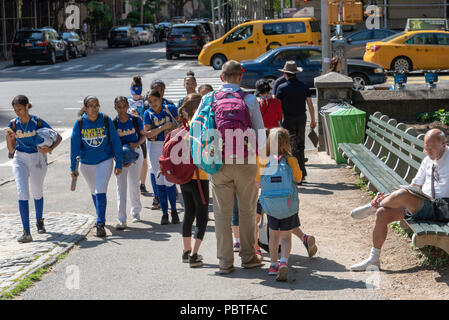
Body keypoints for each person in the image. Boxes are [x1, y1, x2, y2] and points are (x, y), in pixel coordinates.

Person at [194, 60, 266, 274]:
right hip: (246, 161)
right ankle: (249, 257)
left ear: (221, 78)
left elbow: (197, 129)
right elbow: (261, 136)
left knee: (222, 214)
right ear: (240, 77)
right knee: (247, 211)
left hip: (220, 162)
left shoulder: (208, 99)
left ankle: (225, 261)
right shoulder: (250, 99)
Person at [350, 129, 449, 271]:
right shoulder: (428, 160)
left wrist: (403, 195)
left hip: (441, 207)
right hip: (424, 202)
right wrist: (405, 193)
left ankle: (374, 205)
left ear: (443, 145)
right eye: (425, 148)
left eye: (431, 148)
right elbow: (415, 184)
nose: (427, 152)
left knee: (402, 195)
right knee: (382, 213)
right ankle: (374, 259)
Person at [6, 95, 62, 243]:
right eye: (15, 110)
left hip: (37, 157)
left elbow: (58, 137)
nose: (18, 112)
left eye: (20, 109)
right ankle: (26, 231)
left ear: (27, 107)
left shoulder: (37, 122)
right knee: (22, 191)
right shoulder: (13, 124)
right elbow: (11, 151)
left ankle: (39, 220)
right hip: (20, 159)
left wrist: (49, 148)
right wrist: (9, 139)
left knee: (37, 190)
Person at [70, 96, 123, 237]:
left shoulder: (105, 120)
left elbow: (116, 142)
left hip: (104, 160)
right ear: (85, 108)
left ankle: (100, 223)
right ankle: (100, 216)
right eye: (91, 106)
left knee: (100, 189)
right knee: (94, 191)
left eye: (96, 105)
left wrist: (119, 162)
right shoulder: (80, 123)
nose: (94, 108)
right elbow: (74, 147)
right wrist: (72, 168)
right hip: (86, 164)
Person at [256, 127, 303, 281]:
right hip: (288, 205)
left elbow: (258, 183)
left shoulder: (263, 160)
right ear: (286, 142)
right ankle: (284, 262)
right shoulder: (291, 160)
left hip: (271, 207)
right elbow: (298, 179)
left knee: (273, 236)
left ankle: (273, 264)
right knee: (286, 237)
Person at [178, 93, 210, 268]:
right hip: (200, 177)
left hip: (184, 176)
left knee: (189, 213)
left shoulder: (183, 126)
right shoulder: (200, 126)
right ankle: (194, 255)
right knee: (202, 216)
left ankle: (186, 250)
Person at [275, 61, 316, 183]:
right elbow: (310, 104)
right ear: (296, 73)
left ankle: (293, 173)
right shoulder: (304, 86)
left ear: (286, 74)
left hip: (287, 119)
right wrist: (313, 120)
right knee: (301, 145)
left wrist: (278, 122)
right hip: (301, 118)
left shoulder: (282, 88)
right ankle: (302, 173)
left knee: (289, 147)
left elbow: (278, 106)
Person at [144, 89, 179, 225]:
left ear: (161, 99)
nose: (153, 104)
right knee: (160, 180)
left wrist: (157, 131)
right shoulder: (148, 113)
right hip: (155, 148)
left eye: (155, 101)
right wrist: (163, 127)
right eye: (150, 101)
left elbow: (179, 122)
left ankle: (174, 211)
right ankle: (164, 213)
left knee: (169, 179)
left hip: (170, 146)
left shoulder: (168, 109)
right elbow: (147, 134)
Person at [113, 97, 147, 229]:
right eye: (119, 107)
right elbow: (111, 143)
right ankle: (121, 218)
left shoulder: (135, 119)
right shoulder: (113, 123)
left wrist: (137, 143)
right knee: (121, 187)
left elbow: (144, 135)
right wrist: (118, 160)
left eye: (124, 106)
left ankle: (136, 212)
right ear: (115, 108)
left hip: (135, 154)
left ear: (128, 106)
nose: (122, 109)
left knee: (134, 184)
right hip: (120, 157)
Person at [127, 75, 150, 195]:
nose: (136, 95)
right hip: (130, 134)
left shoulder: (145, 102)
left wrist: (138, 116)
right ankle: (132, 182)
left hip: (141, 134)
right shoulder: (127, 101)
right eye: (134, 93)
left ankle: (142, 183)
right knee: (130, 158)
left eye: (138, 92)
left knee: (144, 160)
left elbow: (146, 118)